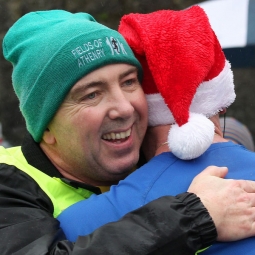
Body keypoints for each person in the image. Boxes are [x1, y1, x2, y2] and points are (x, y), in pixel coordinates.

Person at [1, 8, 255, 255]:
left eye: (129, 82)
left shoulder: (156, 160)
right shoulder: (9, 183)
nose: (124, 108)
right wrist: (195, 217)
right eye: (92, 94)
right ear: (45, 127)